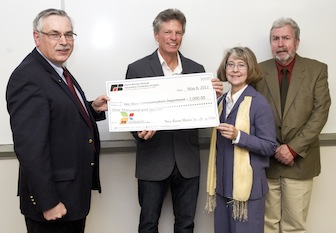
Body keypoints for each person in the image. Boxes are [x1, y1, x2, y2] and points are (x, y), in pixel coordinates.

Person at [6, 8, 109, 233]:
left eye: (69, 34)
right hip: (54, 203)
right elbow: (30, 148)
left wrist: (92, 108)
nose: (64, 41)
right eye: (54, 34)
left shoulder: (56, 70)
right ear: (37, 37)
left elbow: (59, 116)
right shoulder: (28, 77)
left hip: (71, 196)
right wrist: (48, 202)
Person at [125, 8, 223, 233]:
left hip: (187, 162)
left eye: (178, 33)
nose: (173, 37)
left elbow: (202, 118)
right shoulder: (138, 69)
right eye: (167, 32)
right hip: (153, 160)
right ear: (156, 35)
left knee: (186, 224)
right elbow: (129, 113)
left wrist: (211, 100)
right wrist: (138, 131)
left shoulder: (196, 71)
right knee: (148, 224)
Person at [255, 17, 331, 233]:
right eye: (275, 38)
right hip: (267, 162)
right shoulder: (257, 72)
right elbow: (249, 109)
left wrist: (293, 148)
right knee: (267, 224)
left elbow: (320, 112)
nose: (280, 44)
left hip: (300, 162)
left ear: (297, 42)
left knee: (294, 226)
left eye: (286, 38)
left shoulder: (316, 70)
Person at [205, 47, 276, 233]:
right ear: (225, 68)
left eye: (241, 65)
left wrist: (239, 136)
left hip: (248, 192)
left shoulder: (259, 103)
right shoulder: (220, 103)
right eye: (230, 64)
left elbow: (270, 146)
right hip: (222, 188)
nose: (235, 70)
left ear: (249, 69)